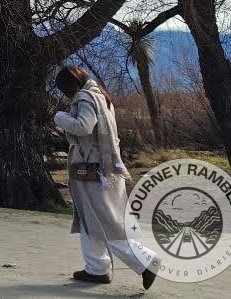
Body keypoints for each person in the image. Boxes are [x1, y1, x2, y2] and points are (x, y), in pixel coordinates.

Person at [52, 65, 159, 289]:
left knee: (103, 222)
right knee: (89, 219)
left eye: (65, 89)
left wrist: (60, 117)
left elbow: (83, 127)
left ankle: (146, 261)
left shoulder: (85, 97)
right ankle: (96, 268)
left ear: (71, 85)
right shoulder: (100, 94)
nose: (66, 94)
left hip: (92, 170)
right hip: (107, 167)